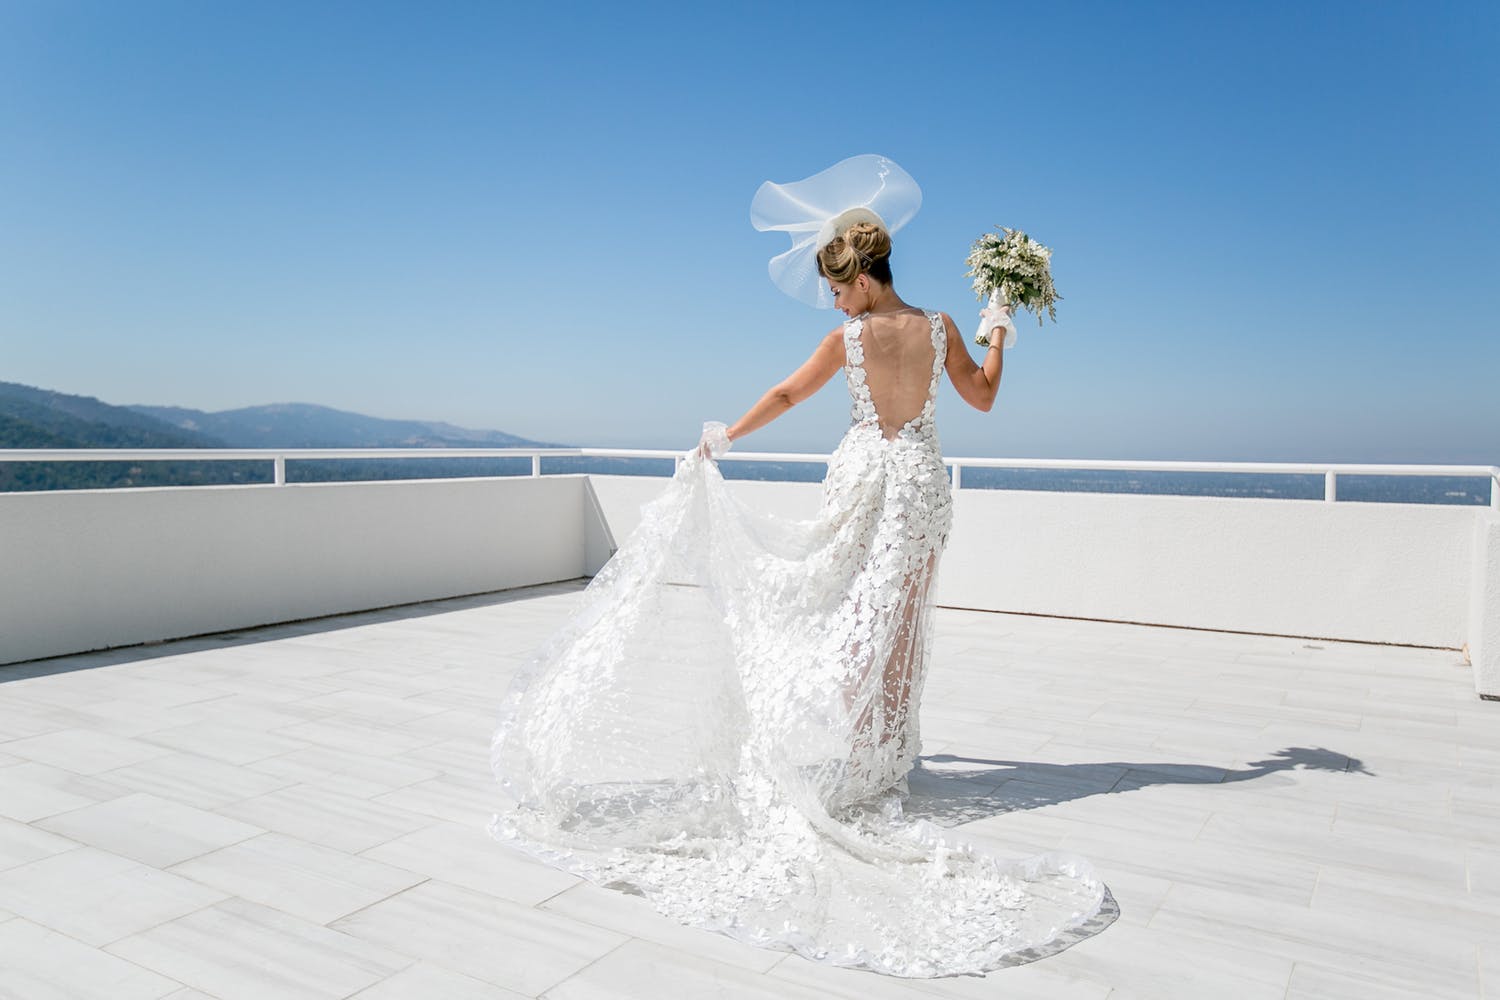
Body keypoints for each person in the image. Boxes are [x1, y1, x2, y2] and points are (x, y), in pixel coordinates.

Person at [490, 155, 1105, 978]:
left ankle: (859, 760)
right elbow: (984, 397)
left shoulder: (846, 340)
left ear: (863, 278)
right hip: (918, 485)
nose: (834, 300)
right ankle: (881, 759)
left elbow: (785, 395)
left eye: (837, 286)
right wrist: (999, 326)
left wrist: (724, 436)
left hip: (861, 483)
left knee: (854, 611)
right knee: (897, 625)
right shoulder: (944, 328)